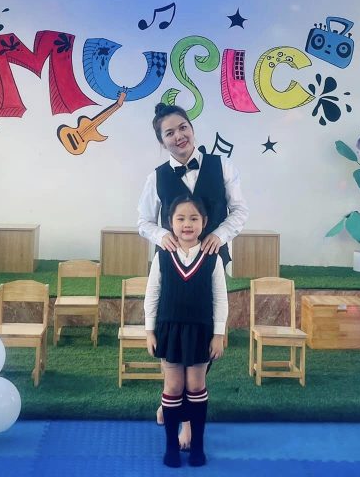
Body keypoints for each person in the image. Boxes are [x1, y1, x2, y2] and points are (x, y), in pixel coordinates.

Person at [137, 102, 249, 449]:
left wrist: (221, 235)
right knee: (173, 335)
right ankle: (176, 404)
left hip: (210, 259)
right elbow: (144, 221)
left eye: (182, 127)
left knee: (202, 337)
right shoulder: (155, 177)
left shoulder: (222, 165)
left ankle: (184, 413)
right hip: (172, 264)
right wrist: (161, 236)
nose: (178, 136)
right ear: (162, 141)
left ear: (192, 128)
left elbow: (240, 210)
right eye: (169, 133)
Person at [145, 194, 228, 467]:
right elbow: (152, 294)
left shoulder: (213, 258)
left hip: (201, 331)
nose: (187, 224)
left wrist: (218, 335)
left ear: (204, 222)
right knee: (173, 385)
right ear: (170, 222)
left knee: (196, 385)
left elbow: (220, 299)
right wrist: (149, 331)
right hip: (169, 330)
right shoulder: (162, 256)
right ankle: (171, 447)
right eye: (180, 218)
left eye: (193, 218)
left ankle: (197, 448)